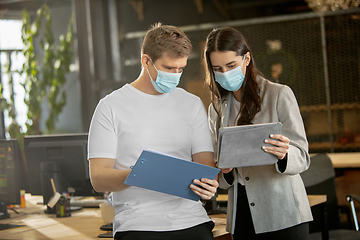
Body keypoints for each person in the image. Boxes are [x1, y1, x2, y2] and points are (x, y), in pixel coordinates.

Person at [87, 23, 219, 240]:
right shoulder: (110, 106)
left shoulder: (192, 104)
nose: (176, 75)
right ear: (146, 61)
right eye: (168, 68)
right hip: (137, 223)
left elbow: (205, 167)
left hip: (191, 220)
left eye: (181, 69)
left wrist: (209, 185)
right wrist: (143, 173)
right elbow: (99, 178)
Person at [204, 27, 313, 240]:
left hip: (283, 212)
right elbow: (221, 177)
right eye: (218, 68)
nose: (225, 73)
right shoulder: (216, 108)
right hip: (242, 214)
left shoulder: (279, 94)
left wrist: (284, 154)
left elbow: (302, 157)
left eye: (231, 65)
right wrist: (224, 170)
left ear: (246, 58)